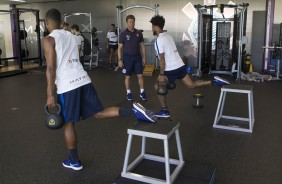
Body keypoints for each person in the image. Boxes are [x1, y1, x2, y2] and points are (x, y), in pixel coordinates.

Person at [43, 8, 157, 171]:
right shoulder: (72, 35)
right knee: (99, 113)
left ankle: (74, 161)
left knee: (69, 124)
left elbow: (51, 68)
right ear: (60, 22)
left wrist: (49, 94)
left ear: (47, 22)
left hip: (67, 86)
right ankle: (135, 112)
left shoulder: (48, 40)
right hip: (83, 79)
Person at [150, 15, 230, 118]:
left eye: (152, 26)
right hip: (180, 65)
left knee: (158, 86)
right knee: (191, 85)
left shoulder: (158, 40)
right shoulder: (168, 36)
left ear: (156, 27)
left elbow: (161, 59)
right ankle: (214, 82)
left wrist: (161, 74)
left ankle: (164, 111)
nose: (152, 28)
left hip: (170, 69)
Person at [118, 15, 147, 101]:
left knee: (140, 75)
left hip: (137, 57)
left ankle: (142, 92)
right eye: (130, 22)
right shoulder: (123, 34)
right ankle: (128, 93)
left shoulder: (139, 33)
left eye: (133, 22)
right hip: (127, 58)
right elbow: (119, 47)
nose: (132, 24)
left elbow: (142, 45)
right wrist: (119, 60)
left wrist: (144, 57)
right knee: (128, 77)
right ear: (127, 23)